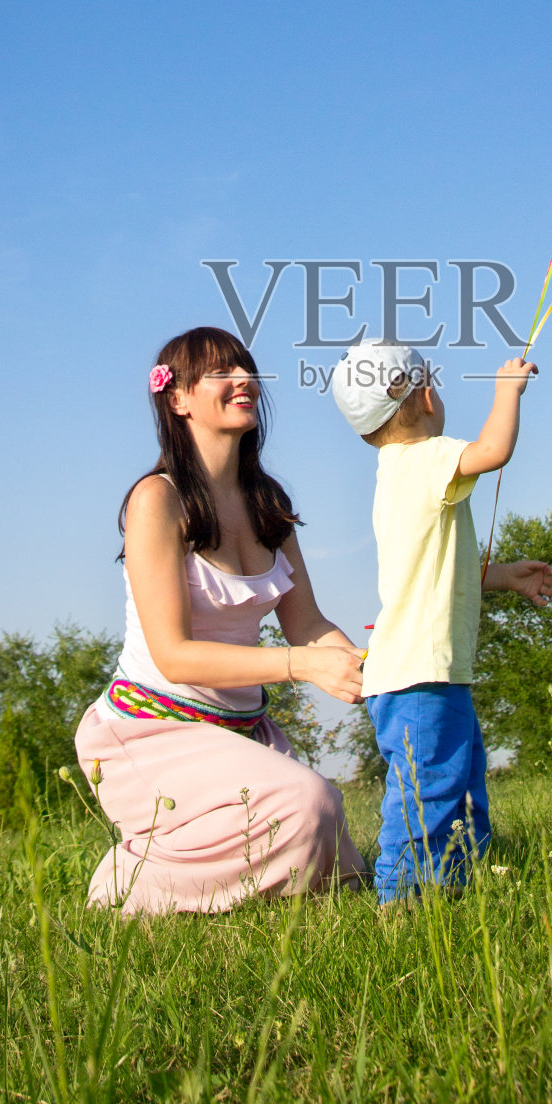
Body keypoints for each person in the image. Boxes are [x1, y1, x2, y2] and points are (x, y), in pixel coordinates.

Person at [75, 326, 368, 915]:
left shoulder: (267, 503)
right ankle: (128, 884)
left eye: (246, 369)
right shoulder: (156, 501)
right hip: (149, 733)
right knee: (312, 807)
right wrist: (304, 667)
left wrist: (371, 665)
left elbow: (306, 623)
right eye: (221, 372)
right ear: (176, 397)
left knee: (338, 857)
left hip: (240, 733)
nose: (244, 382)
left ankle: (184, 859)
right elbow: (173, 654)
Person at [332, 340, 552, 904]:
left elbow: (438, 570)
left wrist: (505, 575)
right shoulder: (424, 458)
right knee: (429, 788)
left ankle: (457, 886)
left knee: (456, 780)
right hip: (418, 677)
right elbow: (492, 450)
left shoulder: (399, 473)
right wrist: (508, 390)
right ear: (426, 395)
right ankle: (404, 901)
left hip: (425, 673)